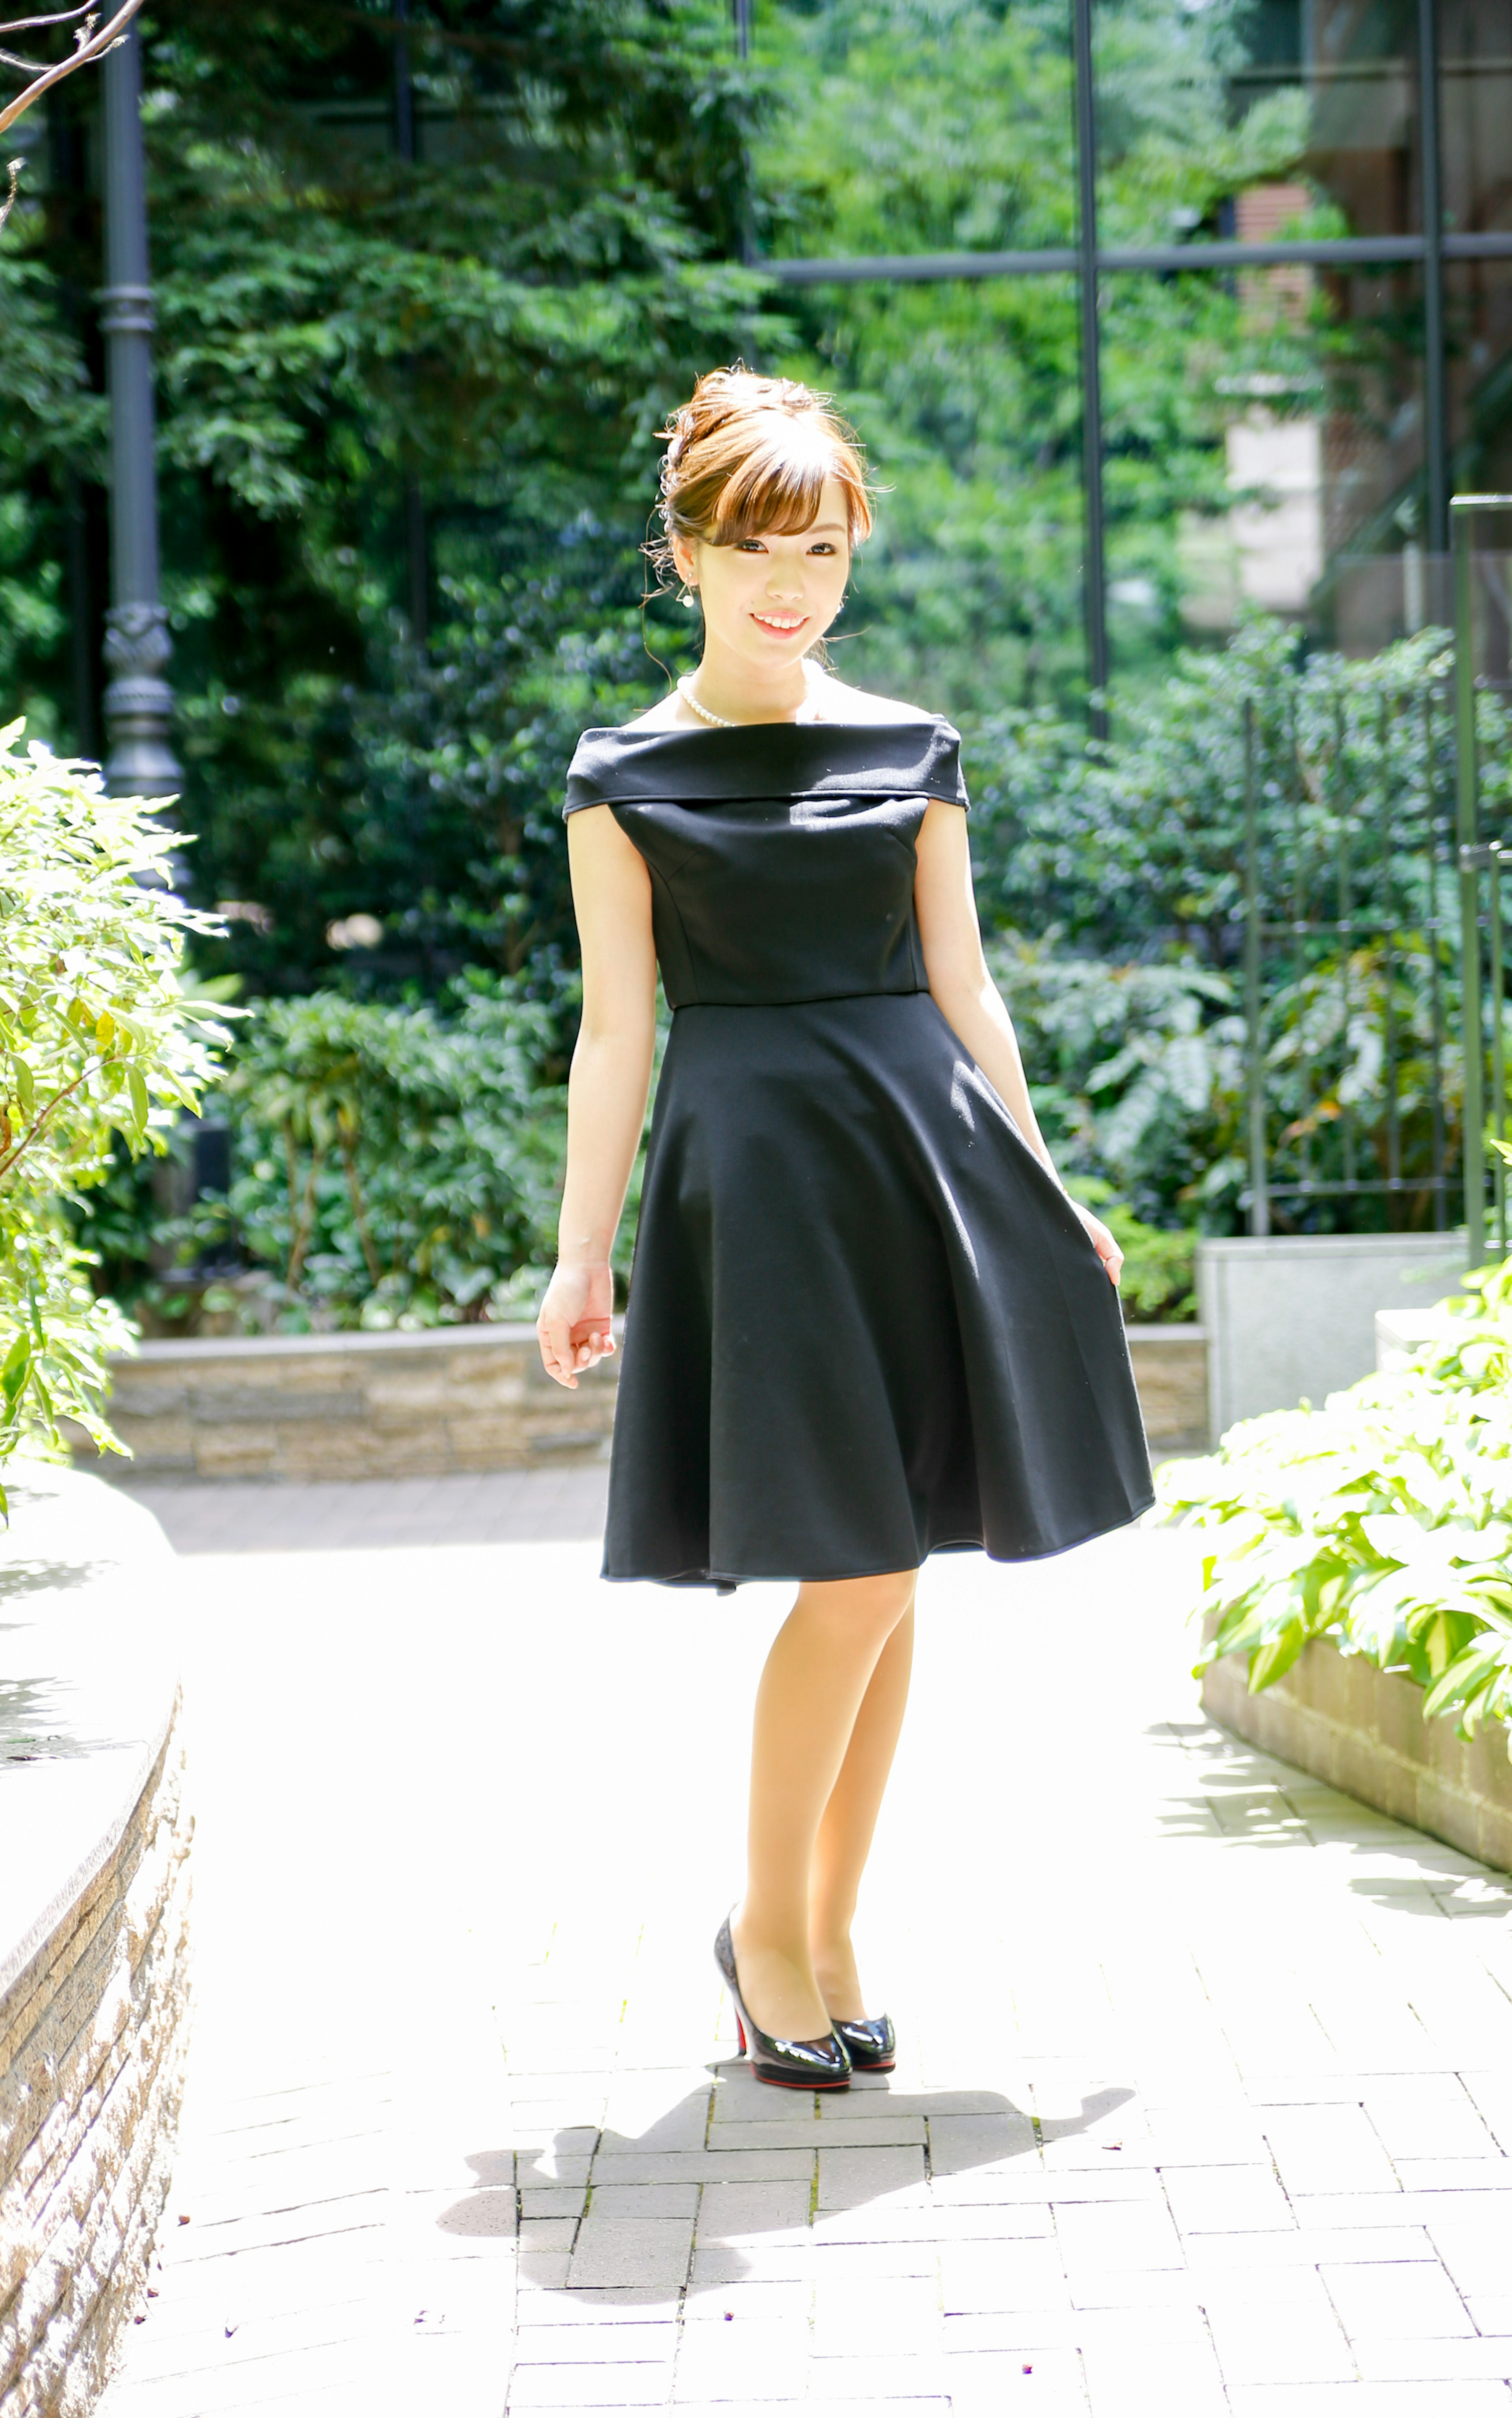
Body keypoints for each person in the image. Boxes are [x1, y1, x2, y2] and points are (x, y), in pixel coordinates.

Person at [537, 367, 1152, 2091]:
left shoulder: (912, 748)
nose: (789, 580)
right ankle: (768, 1929)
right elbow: (613, 1031)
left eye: (819, 544)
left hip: (925, 1156)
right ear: (685, 551)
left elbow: (967, 986)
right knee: (859, 1563)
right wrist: (584, 1257)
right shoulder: (623, 774)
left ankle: (819, 1927)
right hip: (760, 1180)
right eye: (753, 546)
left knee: (897, 1580)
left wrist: (1043, 1190)